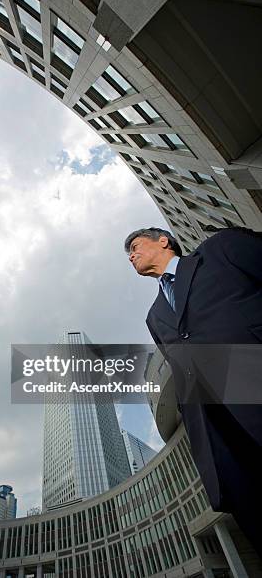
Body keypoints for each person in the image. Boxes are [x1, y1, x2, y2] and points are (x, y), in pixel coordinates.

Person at [124, 226, 262, 555]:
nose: (131, 255)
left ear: (164, 241)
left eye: (135, 246)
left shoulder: (221, 250)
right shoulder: (154, 316)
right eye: (128, 253)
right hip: (224, 439)